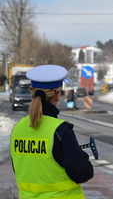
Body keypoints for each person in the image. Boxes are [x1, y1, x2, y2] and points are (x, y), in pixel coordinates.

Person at [10, 65, 94, 199]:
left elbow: (19, 167)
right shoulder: (60, 130)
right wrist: (81, 157)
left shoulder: (18, 128)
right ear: (57, 94)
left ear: (32, 94)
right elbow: (82, 173)